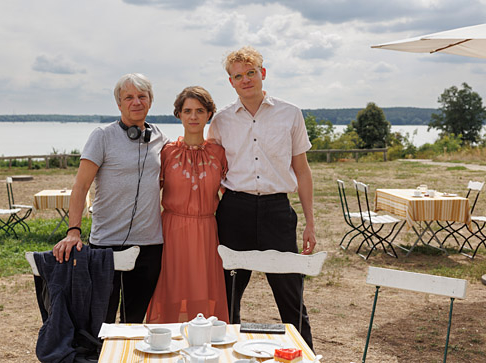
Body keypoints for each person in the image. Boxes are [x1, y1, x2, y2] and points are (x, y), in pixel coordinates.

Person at [207, 46, 317, 349]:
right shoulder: (220, 121)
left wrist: (310, 222)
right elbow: (212, 170)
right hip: (234, 212)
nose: (245, 80)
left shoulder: (290, 114)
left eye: (250, 73)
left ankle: (304, 354)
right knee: (227, 298)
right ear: (231, 82)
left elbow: (303, 171)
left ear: (262, 73)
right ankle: (226, 354)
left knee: (291, 296)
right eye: (238, 76)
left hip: (277, 212)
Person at [53, 73, 169, 323]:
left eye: (142, 96)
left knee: (135, 320)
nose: (136, 102)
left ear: (150, 100)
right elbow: (81, 186)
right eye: (129, 97)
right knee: (101, 319)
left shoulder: (161, 138)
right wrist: (74, 230)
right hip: (106, 243)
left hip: (149, 245)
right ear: (119, 104)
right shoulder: (102, 136)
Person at [146, 86, 229, 323]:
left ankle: (204, 346)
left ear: (209, 115)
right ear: (179, 115)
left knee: (202, 290)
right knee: (171, 287)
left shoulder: (219, 154)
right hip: (172, 230)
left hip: (206, 232)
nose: (193, 116)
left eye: (200, 111)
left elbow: (231, 194)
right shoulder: (166, 153)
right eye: (188, 110)